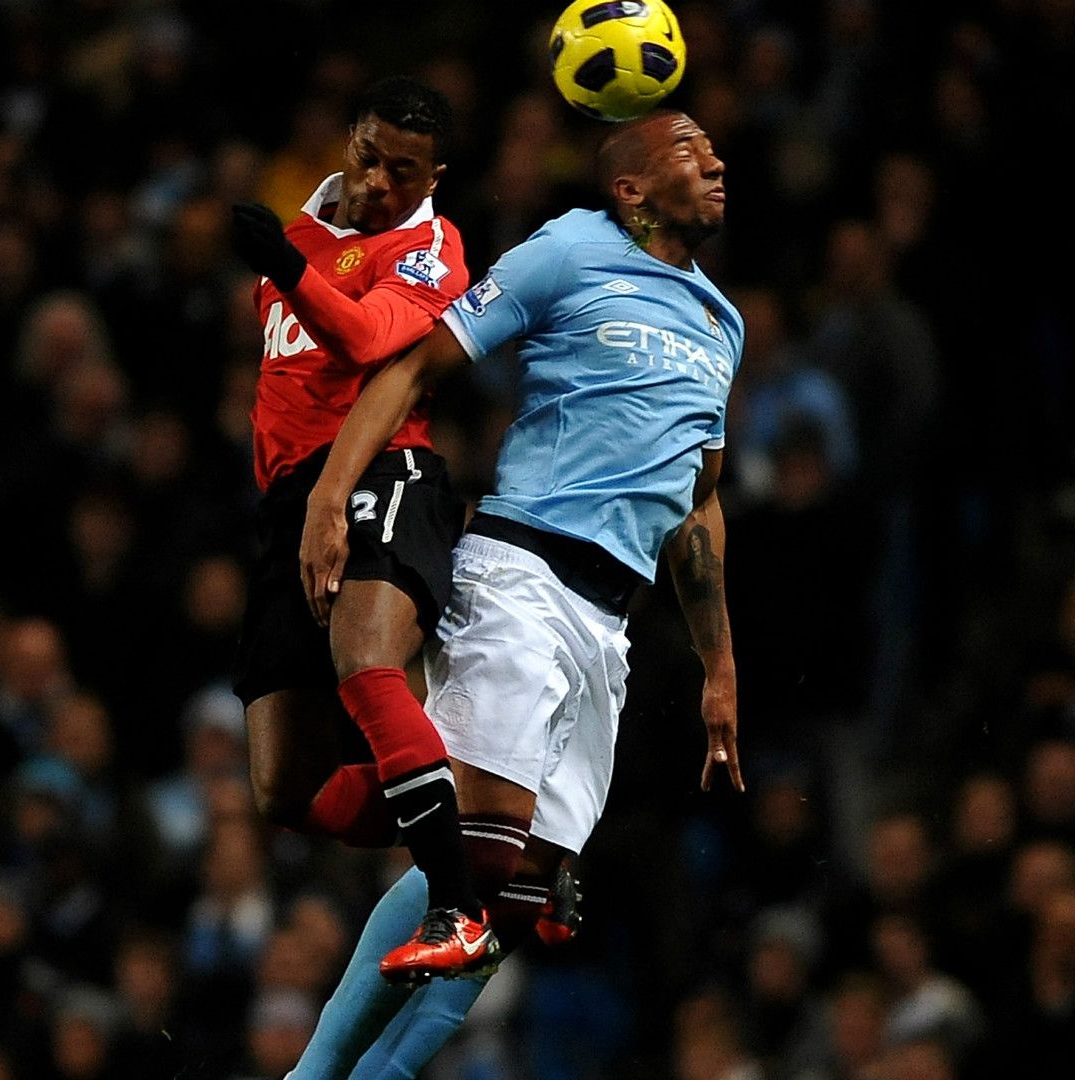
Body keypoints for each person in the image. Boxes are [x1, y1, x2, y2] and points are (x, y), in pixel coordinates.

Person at [292, 108, 744, 1070]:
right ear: (630, 191)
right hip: (521, 569)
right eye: (686, 152)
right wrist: (332, 494)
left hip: (610, 622)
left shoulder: (722, 321)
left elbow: (698, 504)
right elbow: (421, 363)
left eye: (710, 151)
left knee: (516, 898)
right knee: (482, 858)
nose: (714, 163)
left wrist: (720, 664)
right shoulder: (571, 248)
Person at [225, 76, 493, 967]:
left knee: (365, 663)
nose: (381, 183)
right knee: (281, 785)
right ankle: (493, 829)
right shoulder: (303, 231)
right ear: (349, 141)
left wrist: (287, 268)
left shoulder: (433, 247)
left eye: (405, 171)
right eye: (370, 158)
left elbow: (371, 340)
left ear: (435, 178)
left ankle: (461, 905)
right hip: (284, 502)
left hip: (386, 471)